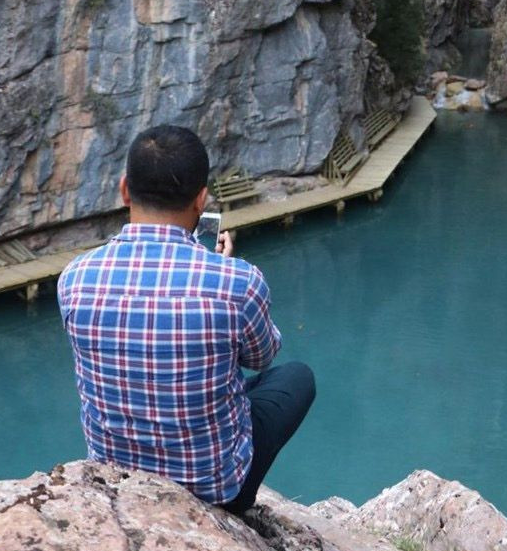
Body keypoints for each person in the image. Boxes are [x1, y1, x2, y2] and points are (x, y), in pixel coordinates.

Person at [57, 124, 315, 512]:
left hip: (118, 482)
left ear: (125, 189)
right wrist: (221, 269)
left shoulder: (74, 278)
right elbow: (261, 358)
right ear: (202, 199)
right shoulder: (237, 282)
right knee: (296, 377)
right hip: (216, 490)